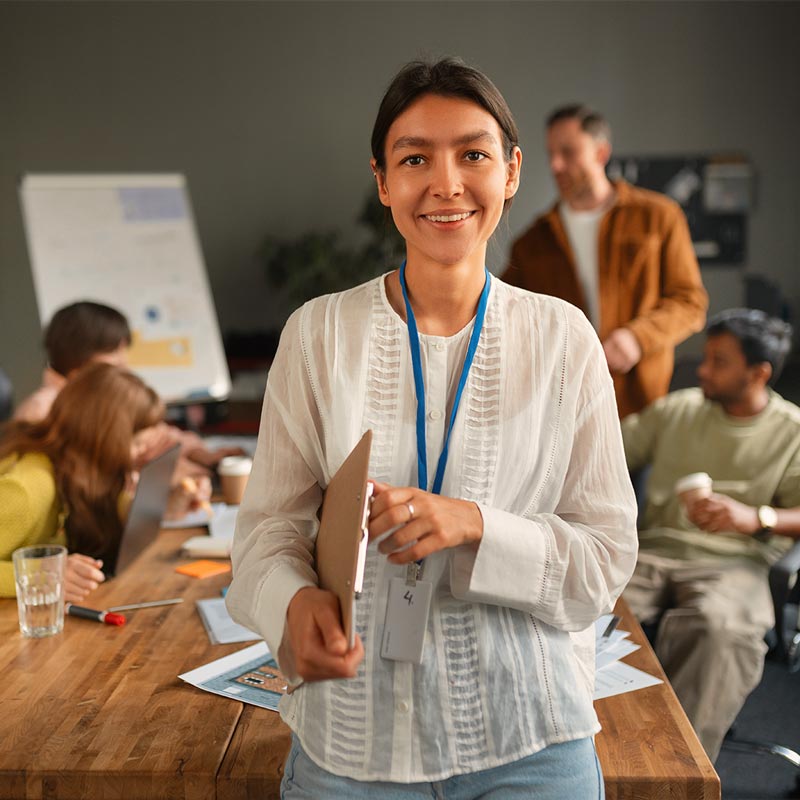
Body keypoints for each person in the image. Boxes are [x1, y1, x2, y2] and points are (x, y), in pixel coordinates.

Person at [226, 58, 637, 798]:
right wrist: (291, 604)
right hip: (352, 742)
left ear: (511, 171)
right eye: (415, 158)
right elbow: (264, 535)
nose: (445, 183)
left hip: (529, 737)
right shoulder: (318, 334)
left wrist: (476, 525)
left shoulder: (564, 340)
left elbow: (606, 561)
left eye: (472, 154)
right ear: (384, 181)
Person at [621, 308, 800, 761]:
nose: (702, 369)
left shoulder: (791, 432)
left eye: (719, 361)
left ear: (759, 373)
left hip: (734, 564)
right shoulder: (678, 410)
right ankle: (600, 756)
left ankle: (674, 771)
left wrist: (756, 518)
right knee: (584, 612)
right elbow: (604, 450)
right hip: (651, 553)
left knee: (719, 628)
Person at [502, 104, 708, 418]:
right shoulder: (532, 241)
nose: (556, 165)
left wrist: (638, 338)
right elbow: (507, 315)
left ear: (600, 153)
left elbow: (690, 301)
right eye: (551, 154)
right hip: (564, 409)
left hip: (642, 406)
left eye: (568, 152)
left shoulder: (659, 217)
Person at [0, 362, 209, 601]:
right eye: (137, 444)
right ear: (104, 440)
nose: (138, 455)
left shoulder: (76, 474)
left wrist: (164, 506)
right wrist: (41, 574)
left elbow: (105, 508)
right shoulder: (28, 490)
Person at [14, 300, 243, 475]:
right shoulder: (41, 411)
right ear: (79, 359)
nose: (123, 362)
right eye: (114, 352)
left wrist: (200, 454)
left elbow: (159, 434)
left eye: (124, 350)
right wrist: (132, 466)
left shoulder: (107, 395)